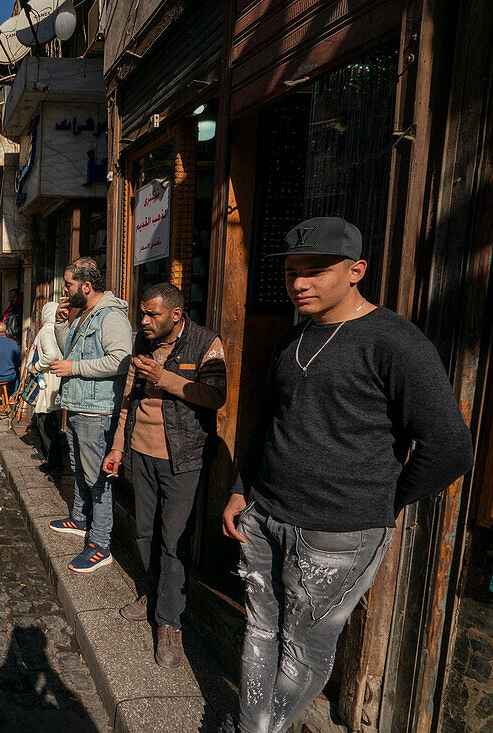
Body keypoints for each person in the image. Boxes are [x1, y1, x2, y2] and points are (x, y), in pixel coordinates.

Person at [220, 217, 473, 733]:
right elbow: (267, 422)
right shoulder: (290, 340)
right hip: (265, 516)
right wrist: (240, 489)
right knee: (260, 631)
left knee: (304, 649)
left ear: (356, 271)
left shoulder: (396, 342)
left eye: (316, 271)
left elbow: (449, 449)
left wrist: (380, 503)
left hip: (338, 532)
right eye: (292, 272)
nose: (299, 284)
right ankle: (251, 726)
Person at [103, 282, 226, 669]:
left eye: (151, 314)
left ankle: (169, 622)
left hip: (182, 457)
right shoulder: (142, 341)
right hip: (140, 452)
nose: (144, 320)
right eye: (142, 313)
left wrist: (164, 377)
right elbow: (128, 398)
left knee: (174, 541)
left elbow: (215, 396)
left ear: (175, 314)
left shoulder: (206, 343)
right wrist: (118, 446)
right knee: (145, 531)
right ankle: (154, 593)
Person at [47, 257, 133, 574]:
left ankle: (100, 545)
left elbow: (121, 360)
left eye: (68, 285)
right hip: (79, 406)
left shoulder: (110, 317)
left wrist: (76, 368)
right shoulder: (84, 315)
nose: (65, 291)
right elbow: (68, 351)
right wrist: (60, 322)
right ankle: (80, 519)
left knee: (99, 481)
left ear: (86, 286)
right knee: (80, 471)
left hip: (97, 412)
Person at [29, 301, 64, 473]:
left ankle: (53, 462)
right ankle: (52, 459)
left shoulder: (46, 331)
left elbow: (51, 355)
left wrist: (37, 366)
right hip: (55, 380)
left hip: (48, 381)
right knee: (49, 421)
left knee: (45, 421)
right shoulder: (58, 330)